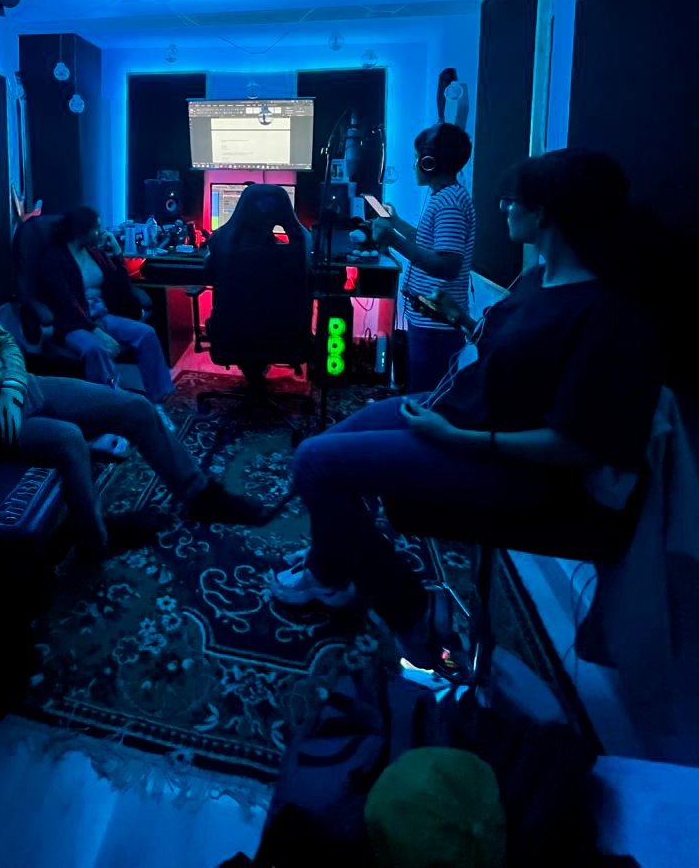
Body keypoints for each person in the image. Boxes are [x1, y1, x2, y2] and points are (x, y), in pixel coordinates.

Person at [271, 149, 661, 674]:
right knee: (332, 443)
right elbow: (516, 357)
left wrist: (453, 436)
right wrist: (464, 320)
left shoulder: (605, 314)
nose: (503, 208)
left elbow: (577, 444)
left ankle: (412, 613)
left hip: (500, 461)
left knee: (314, 462)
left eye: (512, 200)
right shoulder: (537, 278)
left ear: (544, 212)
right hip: (452, 411)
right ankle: (328, 574)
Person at [0, 204, 265, 559]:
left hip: (21, 388)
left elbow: (5, 343)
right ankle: (96, 540)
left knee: (137, 408)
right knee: (69, 438)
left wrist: (11, 387)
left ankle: (199, 494)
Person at [370, 122, 475, 393]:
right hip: (429, 321)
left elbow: (447, 266)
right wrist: (396, 223)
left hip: (436, 324)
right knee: (420, 390)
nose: (414, 164)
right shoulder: (447, 197)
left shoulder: (449, 203)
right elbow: (428, 242)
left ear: (430, 163)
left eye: (418, 158)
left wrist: (393, 241)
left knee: (425, 397)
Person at [38, 207, 175, 413]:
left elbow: (120, 285)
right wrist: (96, 331)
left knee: (146, 334)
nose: (100, 232)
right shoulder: (54, 258)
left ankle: (158, 400)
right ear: (82, 230)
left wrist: (117, 253)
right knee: (96, 349)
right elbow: (65, 302)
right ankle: (111, 406)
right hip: (72, 323)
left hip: (102, 316)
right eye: (96, 228)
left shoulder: (94, 253)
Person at [204, 184, 312, 384]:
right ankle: (258, 371)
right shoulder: (301, 245)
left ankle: (252, 372)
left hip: (233, 333)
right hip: (285, 334)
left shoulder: (220, 242)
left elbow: (208, 272)